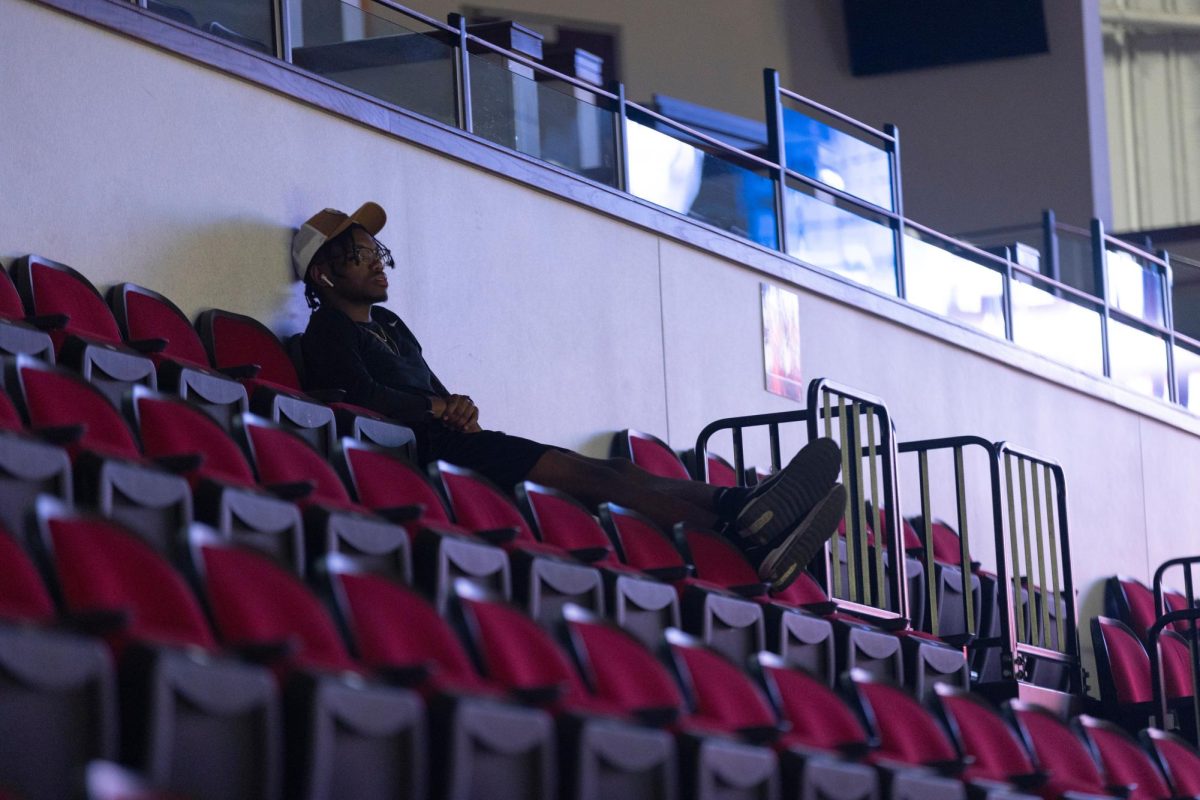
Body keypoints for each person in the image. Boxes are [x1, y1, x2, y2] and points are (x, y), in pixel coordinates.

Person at [296, 201, 846, 590]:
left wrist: (454, 404)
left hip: (463, 440)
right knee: (598, 481)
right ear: (323, 274)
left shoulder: (389, 324)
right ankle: (736, 538)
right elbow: (362, 397)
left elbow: (436, 390)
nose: (376, 262)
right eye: (359, 255)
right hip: (431, 455)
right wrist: (437, 409)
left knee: (619, 473)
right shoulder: (326, 334)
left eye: (375, 251)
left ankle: (741, 506)